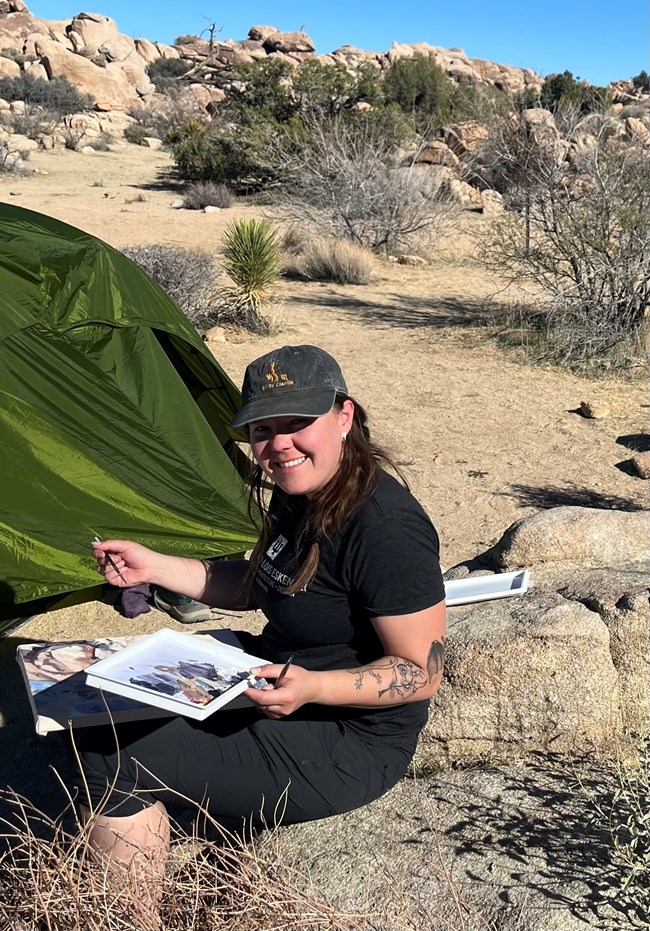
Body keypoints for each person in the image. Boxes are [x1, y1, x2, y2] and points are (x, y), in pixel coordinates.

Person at [82, 344, 446, 922]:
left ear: (344, 415)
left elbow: (420, 673)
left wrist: (313, 687)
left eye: (297, 423)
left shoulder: (386, 527)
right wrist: (154, 566)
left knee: (107, 761)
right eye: (263, 428)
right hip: (268, 682)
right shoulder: (299, 492)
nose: (278, 444)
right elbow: (256, 585)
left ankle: (129, 915)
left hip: (348, 738)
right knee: (85, 711)